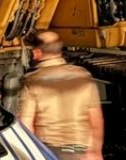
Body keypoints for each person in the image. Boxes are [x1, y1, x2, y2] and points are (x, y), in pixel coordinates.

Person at [16, 31, 104, 160]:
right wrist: (95, 150)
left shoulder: (31, 82)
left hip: (49, 151)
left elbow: (26, 125)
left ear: (36, 53)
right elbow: (96, 120)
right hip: (79, 149)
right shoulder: (82, 76)